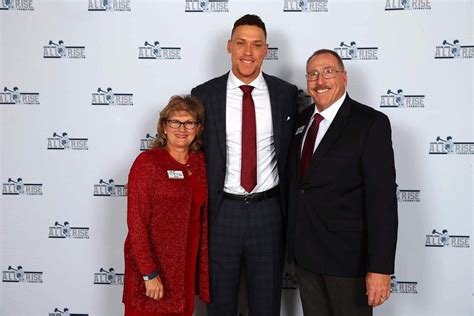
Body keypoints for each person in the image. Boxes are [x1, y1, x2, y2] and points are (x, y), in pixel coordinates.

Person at [191, 14, 298, 316]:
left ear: (267, 50)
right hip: (222, 213)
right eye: (241, 43)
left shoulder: (286, 95)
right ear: (229, 46)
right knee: (219, 307)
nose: (248, 52)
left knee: (266, 306)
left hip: (268, 213)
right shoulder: (204, 94)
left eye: (256, 45)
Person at [287, 49, 398, 316]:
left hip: (349, 262)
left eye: (328, 72)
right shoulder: (301, 121)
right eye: (312, 74)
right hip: (306, 258)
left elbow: (382, 201)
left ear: (344, 78)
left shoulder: (370, 123)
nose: (320, 80)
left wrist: (380, 267)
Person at [122, 96, 210, 316]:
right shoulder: (148, 163)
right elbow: (136, 223)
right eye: (175, 122)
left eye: (189, 122)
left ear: (198, 128)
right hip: (154, 268)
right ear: (163, 126)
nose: (182, 128)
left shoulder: (200, 163)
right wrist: (149, 273)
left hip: (186, 266)